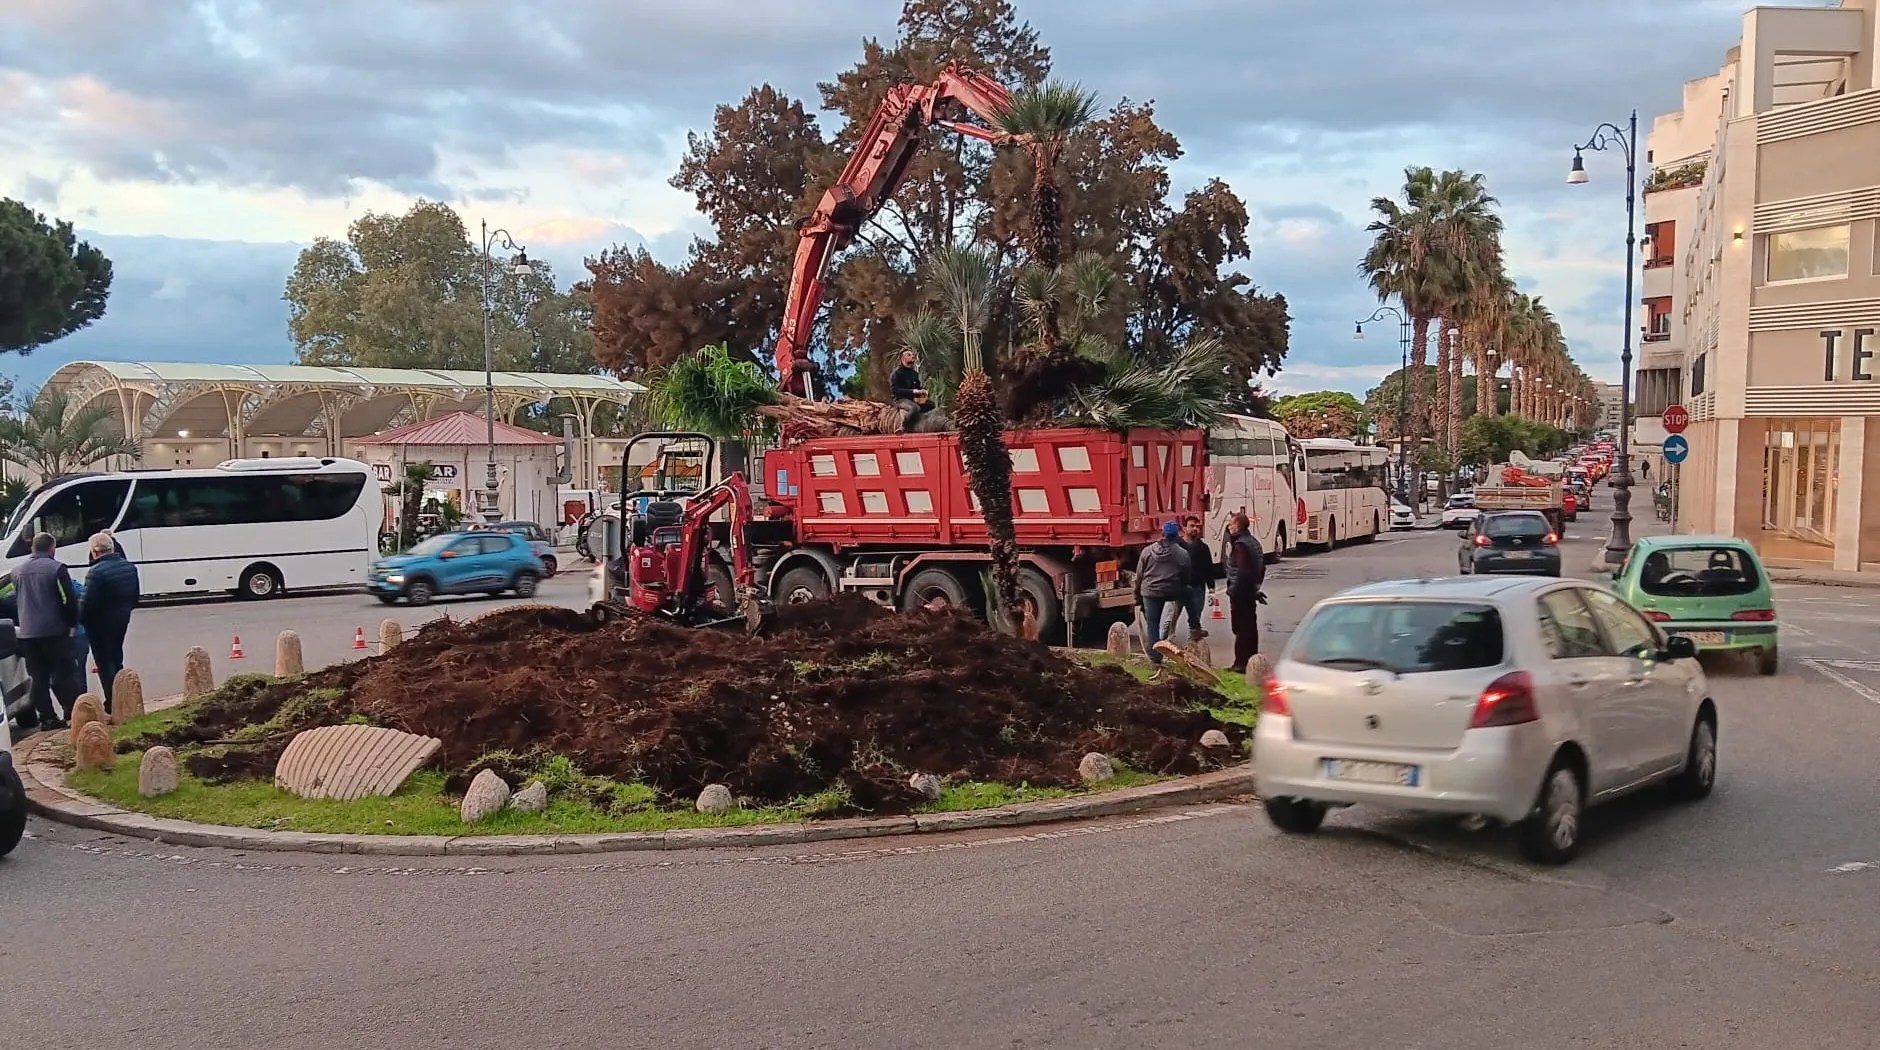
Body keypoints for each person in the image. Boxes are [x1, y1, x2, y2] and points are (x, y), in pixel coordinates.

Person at [15, 532, 81, 732]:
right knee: (65, 672)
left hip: (28, 634)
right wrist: (71, 624)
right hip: (54, 631)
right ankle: (72, 711)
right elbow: (68, 600)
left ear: (32, 548)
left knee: (38, 677)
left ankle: (47, 718)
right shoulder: (56, 569)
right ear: (52, 548)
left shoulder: (17, 571)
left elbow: (13, 599)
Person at [79, 530, 140, 712]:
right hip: (121, 619)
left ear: (95, 551)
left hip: (99, 625)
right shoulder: (129, 567)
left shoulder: (95, 573)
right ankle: (123, 695)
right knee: (116, 657)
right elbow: (135, 597)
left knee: (105, 663)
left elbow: (87, 604)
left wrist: (78, 619)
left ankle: (113, 702)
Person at [1133, 521, 1190, 668]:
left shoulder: (1147, 551)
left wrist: (1137, 596)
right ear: (1177, 536)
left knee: (1152, 624)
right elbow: (1186, 576)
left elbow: (1139, 576)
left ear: (1162, 534)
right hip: (1172, 591)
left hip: (1150, 592)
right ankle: (1193, 626)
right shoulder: (1182, 554)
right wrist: (1181, 590)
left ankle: (1155, 658)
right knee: (1184, 601)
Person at [1223, 512, 1267, 675]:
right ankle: (1251, 660)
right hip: (1249, 591)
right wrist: (1256, 587)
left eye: (1231, 524)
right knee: (1250, 627)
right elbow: (1261, 567)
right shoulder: (1253, 542)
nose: (1229, 526)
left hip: (1240, 593)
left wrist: (1234, 590)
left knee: (1240, 629)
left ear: (1238, 526)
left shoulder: (1240, 545)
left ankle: (1240, 663)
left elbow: (1241, 571)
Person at [1175, 515, 1216, 643]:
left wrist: (1212, 589)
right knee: (1172, 616)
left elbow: (1209, 568)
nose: (1195, 529)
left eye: (1197, 527)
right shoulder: (1177, 545)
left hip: (1197, 587)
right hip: (1179, 587)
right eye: (1192, 526)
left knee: (1195, 617)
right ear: (1184, 528)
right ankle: (1166, 638)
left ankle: (1192, 643)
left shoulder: (1203, 548)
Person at [889, 348, 932, 428]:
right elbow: (894, 390)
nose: (912, 356)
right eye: (909, 355)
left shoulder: (914, 373)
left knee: (930, 405)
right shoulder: (896, 373)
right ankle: (903, 426)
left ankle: (921, 423)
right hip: (900, 399)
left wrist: (922, 391)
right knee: (915, 408)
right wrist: (912, 391)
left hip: (914, 398)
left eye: (912, 355)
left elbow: (917, 387)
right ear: (903, 358)